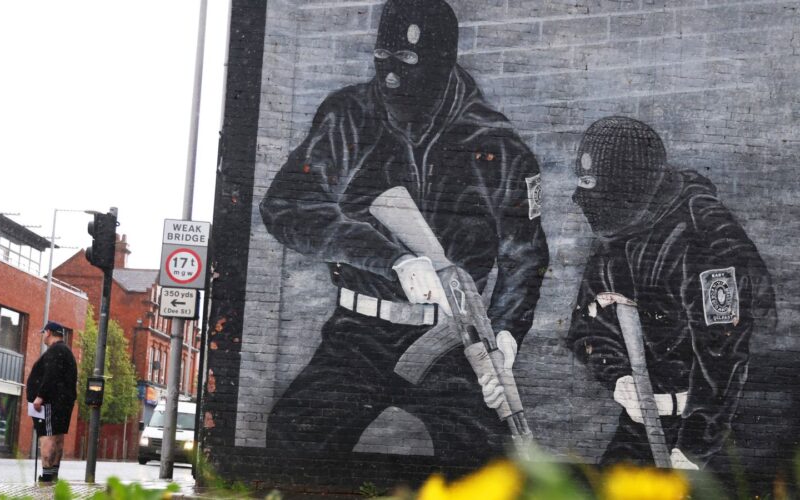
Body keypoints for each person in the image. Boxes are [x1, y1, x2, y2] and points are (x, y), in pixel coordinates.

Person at [259, 0, 549, 460]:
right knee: (293, 437)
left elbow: (524, 253)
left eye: (407, 60)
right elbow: (287, 206)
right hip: (358, 332)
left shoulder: (495, 144)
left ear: (441, 59)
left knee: (487, 461)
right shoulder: (348, 116)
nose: (389, 75)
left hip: (453, 337)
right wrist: (392, 259)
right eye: (381, 57)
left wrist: (507, 335)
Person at [567, 116, 776, 469]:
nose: (581, 199)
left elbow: (725, 356)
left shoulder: (708, 242)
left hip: (721, 425)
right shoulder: (618, 233)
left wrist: (693, 448)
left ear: (628, 187)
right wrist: (619, 378)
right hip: (650, 417)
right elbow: (587, 322)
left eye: (596, 187)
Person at [26, 321, 78, 483]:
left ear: (48, 332)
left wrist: (40, 396)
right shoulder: (66, 351)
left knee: (47, 436)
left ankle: (47, 476)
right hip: (63, 402)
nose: (43, 336)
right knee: (57, 437)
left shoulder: (55, 352)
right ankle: (53, 474)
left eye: (44, 333)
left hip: (50, 403)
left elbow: (51, 375)